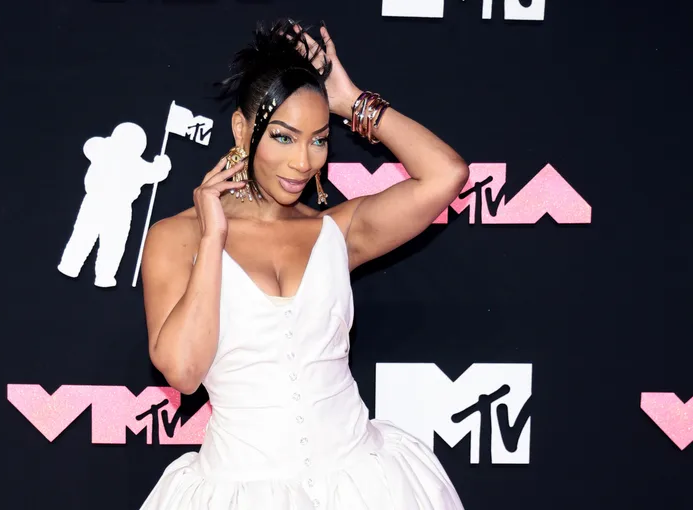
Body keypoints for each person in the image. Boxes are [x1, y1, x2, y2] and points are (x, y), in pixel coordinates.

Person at [139, 18, 469, 510]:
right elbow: (183, 373)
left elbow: (447, 174)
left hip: (364, 487)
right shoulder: (176, 238)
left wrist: (350, 100)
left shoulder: (337, 231)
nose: (303, 162)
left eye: (318, 140)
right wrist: (213, 239)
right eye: (284, 137)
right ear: (242, 129)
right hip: (239, 491)